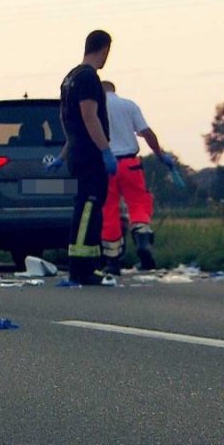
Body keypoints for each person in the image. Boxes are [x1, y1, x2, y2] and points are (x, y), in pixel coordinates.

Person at [49, 29, 117, 285]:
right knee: (89, 207)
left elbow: (67, 119)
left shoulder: (70, 78)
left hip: (77, 151)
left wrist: (63, 152)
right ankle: (82, 267)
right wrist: (105, 150)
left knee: (85, 207)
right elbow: (89, 116)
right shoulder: (89, 78)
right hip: (90, 154)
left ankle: (87, 264)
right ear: (104, 49)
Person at [99, 81, 175, 275]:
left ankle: (113, 261)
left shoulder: (96, 107)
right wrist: (161, 155)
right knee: (138, 203)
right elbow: (147, 133)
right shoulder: (128, 105)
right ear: (114, 90)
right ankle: (143, 243)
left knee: (109, 210)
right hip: (130, 164)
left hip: (106, 165)